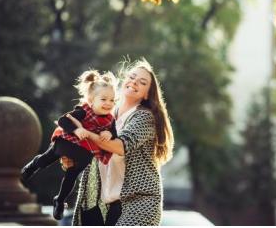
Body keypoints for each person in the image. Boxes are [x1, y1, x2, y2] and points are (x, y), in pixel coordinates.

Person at [62, 58, 174, 226]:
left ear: (146, 94)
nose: (134, 82)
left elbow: (120, 146)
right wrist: (72, 160)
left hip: (139, 203)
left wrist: (86, 133)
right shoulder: (105, 114)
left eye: (142, 82)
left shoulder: (144, 116)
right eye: (132, 77)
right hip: (105, 203)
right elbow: (90, 153)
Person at [20, 70, 118, 220]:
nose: (108, 103)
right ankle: (31, 167)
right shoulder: (84, 112)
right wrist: (77, 129)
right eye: (104, 99)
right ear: (91, 101)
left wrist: (109, 134)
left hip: (84, 151)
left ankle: (59, 200)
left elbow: (114, 134)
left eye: (112, 100)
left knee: (71, 175)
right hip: (68, 142)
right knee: (46, 159)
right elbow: (62, 121)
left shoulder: (110, 120)